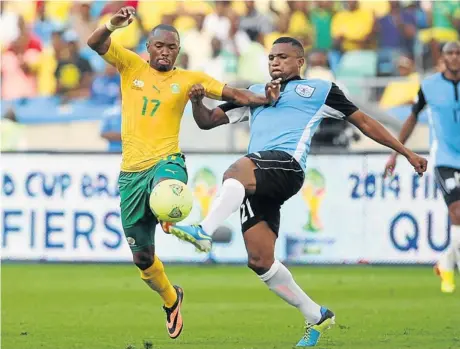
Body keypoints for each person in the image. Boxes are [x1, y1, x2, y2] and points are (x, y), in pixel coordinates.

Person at [169, 37, 428, 347]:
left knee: (234, 171)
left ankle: (204, 230)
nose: (275, 63)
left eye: (283, 57)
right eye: (271, 58)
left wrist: (406, 152)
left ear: (300, 62)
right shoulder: (255, 92)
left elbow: (365, 122)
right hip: (258, 177)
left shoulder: (321, 90)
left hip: (287, 166)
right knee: (260, 260)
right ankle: (316, 315)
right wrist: (198, 102)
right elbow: (208, 122)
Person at [86, 6, 277, 340]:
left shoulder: (190, 80)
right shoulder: (130, 65)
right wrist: (112, 25)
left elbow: (233, 94)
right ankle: (172, 299)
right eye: (159, 46)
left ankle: (166, 211)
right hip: (131, 175)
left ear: (178, 51)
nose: (164, 52)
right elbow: (95, 43)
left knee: (168, 185)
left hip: (167, 162)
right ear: (149, 48)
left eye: (171, 48)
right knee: (143, 259)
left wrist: (264, 98)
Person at [385, 41, 460, 294]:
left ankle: (445, 261)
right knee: (457, 212)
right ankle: (451, 268)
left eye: (458, 53)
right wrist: (397, 152)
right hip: (446, 159)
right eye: (450, 52)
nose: (454, 57)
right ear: (443, 57)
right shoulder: (429, 86)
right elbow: (412, 117)